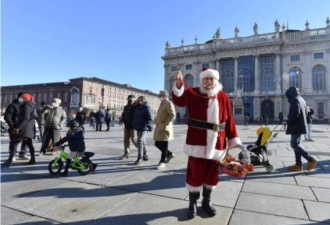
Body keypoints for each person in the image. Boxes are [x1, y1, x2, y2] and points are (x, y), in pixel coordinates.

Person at [172, 68, 244, 219]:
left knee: (212, 174)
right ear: (202, 80)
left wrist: (233, 139)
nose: (209, 82)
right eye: (206, 79)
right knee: (195, 173)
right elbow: (178, 100)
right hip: (197, 141)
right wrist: (179, 85)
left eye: (211, 79)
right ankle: (192, 202)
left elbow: (229, 119)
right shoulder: (194, 93)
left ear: (216, 80)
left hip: (218, 142)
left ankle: (207, 201)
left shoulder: (223, 96)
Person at [285, 87, 317, 171]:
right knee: (296, 144)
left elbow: (296, 113)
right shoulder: (301, 99)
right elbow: (306, 112)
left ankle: (311, 159)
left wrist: (288, 121)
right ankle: (298, 165)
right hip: (301, 125)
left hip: (296, 126)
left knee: (294, 145)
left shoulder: (294, 99)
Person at [153, 90, 176, 170]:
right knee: (157, 143)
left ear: (165, 95)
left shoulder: (168, 103)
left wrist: (165, 124)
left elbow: (173, 115)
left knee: (164, 145)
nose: (159, 96)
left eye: (161, 95)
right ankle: (169, 154)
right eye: (159, 95)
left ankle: (162, 162)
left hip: (165, 128)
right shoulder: (162, 103)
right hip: (160, 127)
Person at [2, 92, 24, 167]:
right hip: (14, 128)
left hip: (22, 127)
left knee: (24, 142)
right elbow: (7, 117)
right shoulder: (12, 106)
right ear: (19, 97)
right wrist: (12, 126)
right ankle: (12, 156)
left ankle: (21, 154)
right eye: (23, 97)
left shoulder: (23, 106)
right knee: (14, 142)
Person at [15, 93, 37, 165]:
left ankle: (33, 159)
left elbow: (26, 117)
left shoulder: (26, 105)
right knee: (29, 143)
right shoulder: (32, 105)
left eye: (21, 98)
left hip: (26, 127)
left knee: (28, 143)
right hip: (29, 126)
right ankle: (31, 159)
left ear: (25, 99)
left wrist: (19, 127)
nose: (20, 100)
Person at [133, 96, 153, 165]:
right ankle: (145, 155)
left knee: (140, 141)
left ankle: (140, 157)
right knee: (143, 141)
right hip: (138, 127)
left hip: (144, 128)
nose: (138, 102)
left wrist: (145, 124)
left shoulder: (147, 107)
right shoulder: (137, 107)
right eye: (137, 101)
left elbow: (150, 118)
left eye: (139, 101)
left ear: (143, 101)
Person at [120, 95, 138, 160]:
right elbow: (124, 114)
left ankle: (142, 151)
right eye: (128, 99)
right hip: (126, 125)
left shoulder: (136, 107)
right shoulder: (125, 107)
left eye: (131, 100)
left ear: (134, 100)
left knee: (134, 140)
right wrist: (122, 119)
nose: (129, 101)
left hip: (133, 126)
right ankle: (126, 153)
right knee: (126, 140)